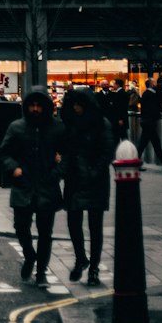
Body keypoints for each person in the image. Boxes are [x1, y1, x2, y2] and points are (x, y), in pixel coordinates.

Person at [0, 87, 65, 288]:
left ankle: (41, 273)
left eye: (39, 106)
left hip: (47, 187)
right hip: (23, 186)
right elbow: (4, 153)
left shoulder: (57, 128)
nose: (35, 109)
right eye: (32, 105)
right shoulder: (16, 127)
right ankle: (30, 256)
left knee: (45, 233)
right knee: (21, 228)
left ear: (46, 107)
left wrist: (56, 173)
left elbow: (68, 156)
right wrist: (14, 167)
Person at [60, 87, 115, 286]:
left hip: (95, 180)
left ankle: (94, 268)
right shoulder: (70, 123)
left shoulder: (101, 124)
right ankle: (81, 258)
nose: (75, 108)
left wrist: (93, 171)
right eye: (73, 104)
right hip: (74, 179)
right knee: (73, 223)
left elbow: (107, 151)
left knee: (95, 227)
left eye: (79, 105)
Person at [137, 79, 162, 168]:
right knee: (152, 144)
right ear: (151, 84)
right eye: (154, 83)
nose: (156, 84)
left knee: (148, 143)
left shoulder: (146, 94)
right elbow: (152, 108)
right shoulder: (151, 95)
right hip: (149, 122)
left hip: (146, 122)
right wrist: (158, 113)